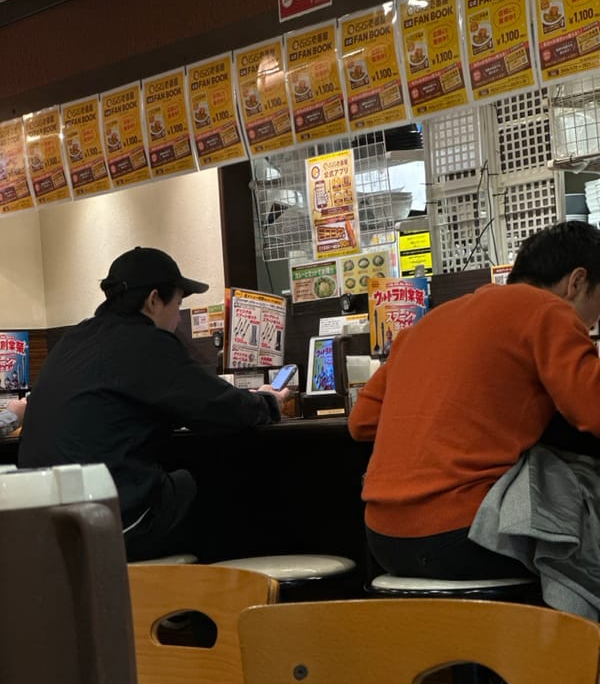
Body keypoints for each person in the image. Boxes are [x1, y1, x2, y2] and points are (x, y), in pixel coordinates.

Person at [348, 220, 600, 580]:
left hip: (383, 538)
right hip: (463, 534)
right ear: (576, 282)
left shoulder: (428, 323)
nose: (591, 324)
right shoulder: (547, 310)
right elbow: (593, 411)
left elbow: (362, 423)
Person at [18, 246, 289, 561]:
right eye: (178, 304)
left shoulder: (74, 339)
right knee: (216, 480)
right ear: (153, 300)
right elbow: (217, 406)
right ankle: (218, 599)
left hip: (44, 528)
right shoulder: (145, 342)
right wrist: (269, 402)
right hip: (111, 522)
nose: (177, 317)